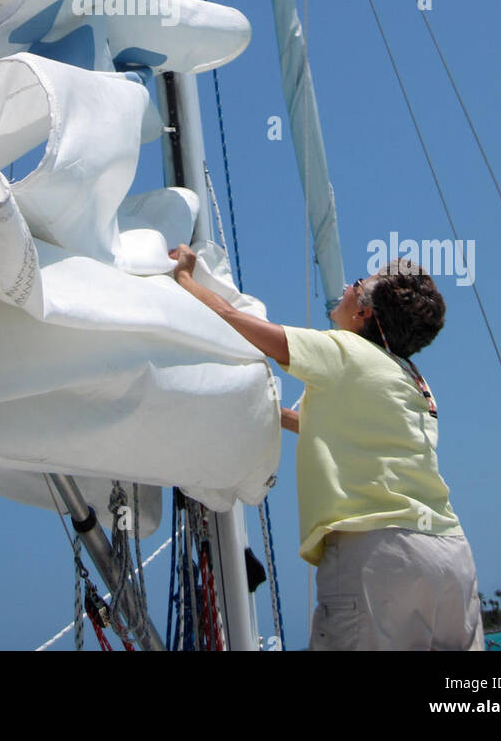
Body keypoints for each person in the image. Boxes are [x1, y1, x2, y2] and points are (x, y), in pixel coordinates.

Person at [169, 244, 484, 651]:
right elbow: (343, 429)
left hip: (377, 556)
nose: (348, 287)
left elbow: (234, 320)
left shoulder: (345, 350)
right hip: (450, 557)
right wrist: (275, 413)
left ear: (364, 313)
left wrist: (185, 278)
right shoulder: (414, 381)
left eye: (358, 284)